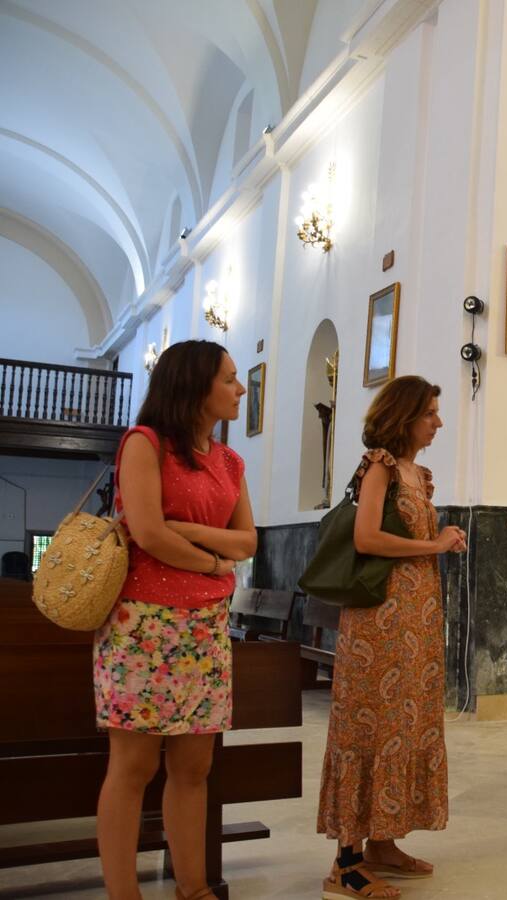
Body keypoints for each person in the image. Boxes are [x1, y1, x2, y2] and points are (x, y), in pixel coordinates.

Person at [95, 340, 256, 900]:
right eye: (229, 379)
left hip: (205, 625)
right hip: (142, 624)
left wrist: (191, 533)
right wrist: (213, 561)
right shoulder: (146, 443)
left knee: (194, 767)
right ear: (193, 384)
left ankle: (194, 888)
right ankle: (125, 895)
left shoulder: (230, 461)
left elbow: (248, 541)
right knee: (133, 766)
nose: (240, 389)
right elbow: (147, 533)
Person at [317, 375, 466, 899]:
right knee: (370, 725)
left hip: (414, 619)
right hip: (378, 621)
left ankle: (382, 842)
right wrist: (434, 545)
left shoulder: (416, 473)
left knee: (404, 723)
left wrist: (439, 542)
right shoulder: (379, 464)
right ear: (405, 416)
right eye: (430, 413)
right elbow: (365, 538)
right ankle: (346, 862)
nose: (438, 422)